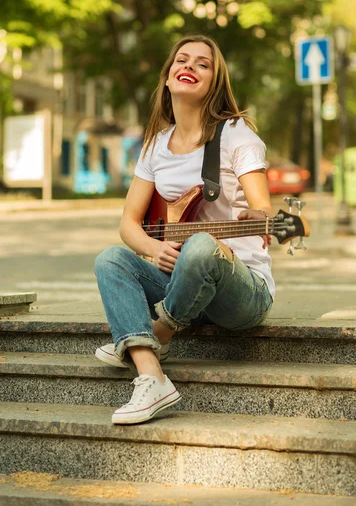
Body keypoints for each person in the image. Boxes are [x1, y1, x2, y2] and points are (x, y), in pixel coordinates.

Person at [94, 34, 275, 425]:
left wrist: (261, 218)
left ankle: (153, 333)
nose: (189, 66)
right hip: (182, 286)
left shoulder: (237, 135)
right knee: (111, 260)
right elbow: (129, 222)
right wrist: (153, 249)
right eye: (182, 59)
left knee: (199, 246)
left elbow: (263, 207)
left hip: (240, 293)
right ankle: (151, 376)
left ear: (214, 82)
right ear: (168, 76)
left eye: (202, 64)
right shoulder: (156, 145)